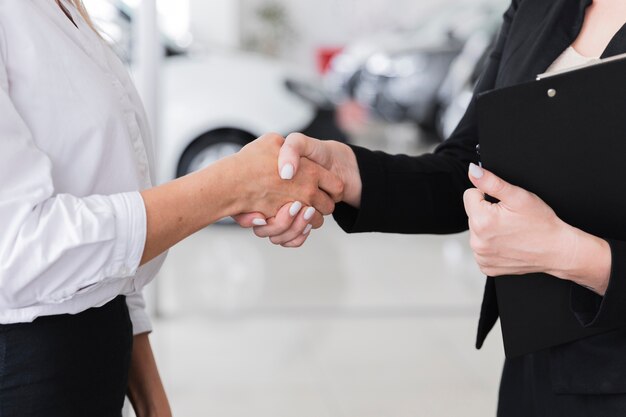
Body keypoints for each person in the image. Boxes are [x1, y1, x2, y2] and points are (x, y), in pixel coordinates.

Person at [239, 0, 626, 414]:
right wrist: (347, 171)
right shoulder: (539, 6)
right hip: (536, 366)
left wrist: (571, 255)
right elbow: (468, 169)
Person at [0, 1, 343, 416]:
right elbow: (16, 249)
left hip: (96, 365)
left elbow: (108, 267)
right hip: (27, 378)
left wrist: (154, 403)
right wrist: (231, 187)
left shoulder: (64, 10)